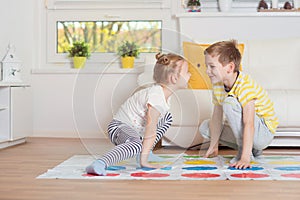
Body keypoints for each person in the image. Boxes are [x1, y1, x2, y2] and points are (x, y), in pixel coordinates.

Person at [86, 53, 191, 175]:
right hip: (119, 127)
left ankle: (146, 152)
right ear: (174, 78)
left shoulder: (164, 96)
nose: (190, 75)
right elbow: (150, 129)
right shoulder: (156, 97)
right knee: (135, 145)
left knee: (167, 117)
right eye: (187, 72)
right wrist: (144, 161)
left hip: (135, 130)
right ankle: (100, 163)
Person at [199, 40, 278, 169]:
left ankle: (246, 152)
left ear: (230, 68)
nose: (207, 71)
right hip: (251, 133)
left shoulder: (245, 85)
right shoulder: (218, 85)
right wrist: (214, 146)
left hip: (263, 132)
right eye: (206, 66)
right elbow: (217, 117)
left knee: (229, 103)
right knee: (205, 127)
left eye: (212, 66)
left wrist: (245, 157)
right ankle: (252, 149)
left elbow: (249, 123)